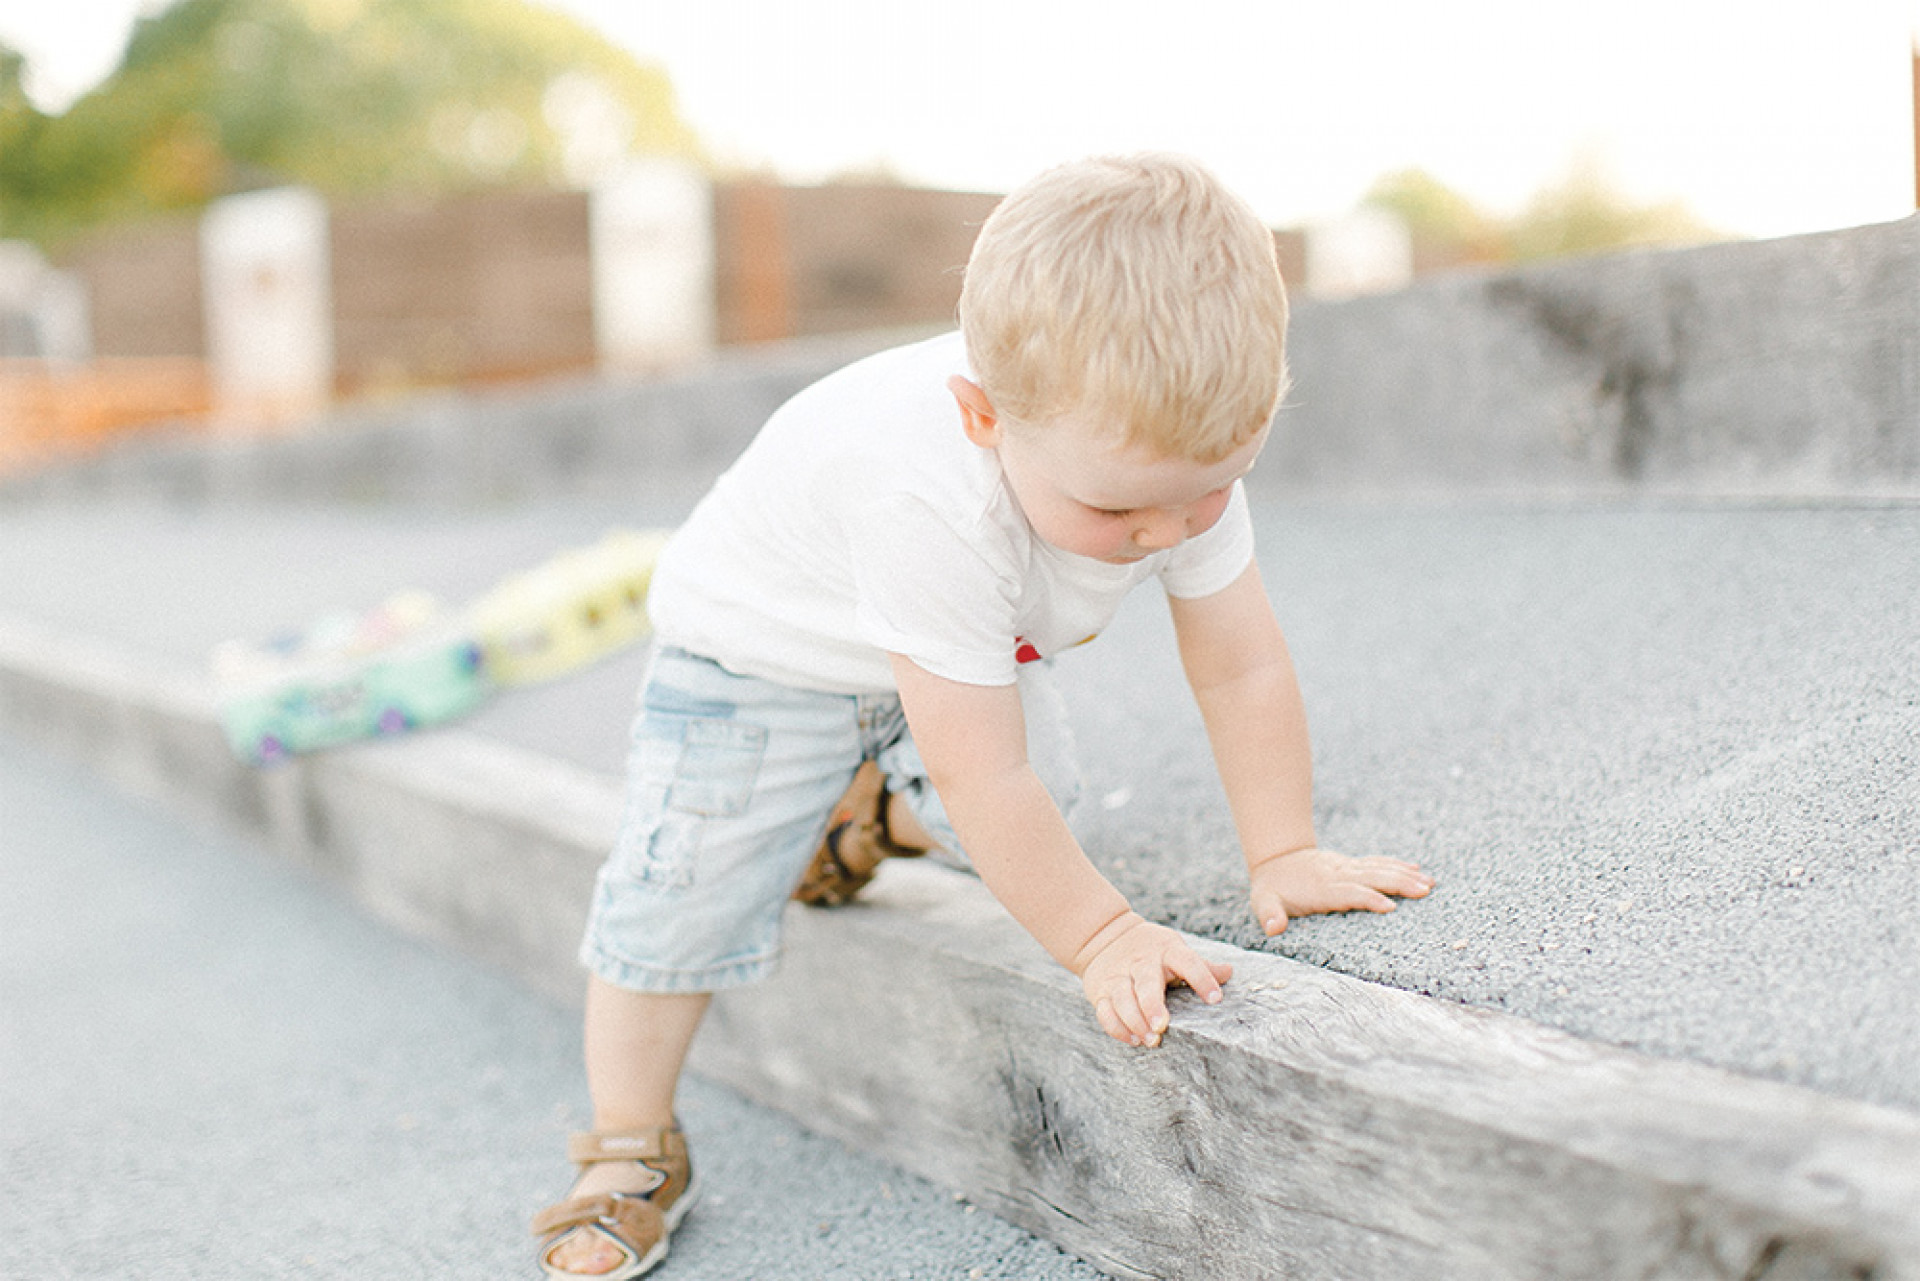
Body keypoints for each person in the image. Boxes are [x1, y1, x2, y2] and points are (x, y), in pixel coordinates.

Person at [532, 153, 1434, 1279]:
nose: (1169, 532)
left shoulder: (1170, 457)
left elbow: (1241, 663)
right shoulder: (922, 497)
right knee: (680, 892)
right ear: (980, 416)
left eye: (1209, 488)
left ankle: (854, 820)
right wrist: (1102, 937)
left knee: (1041, 822)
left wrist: (1285, 846)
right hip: (761, 661)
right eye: (1115, 507)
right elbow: (984, 777)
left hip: (949, 663)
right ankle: (628, 1143)